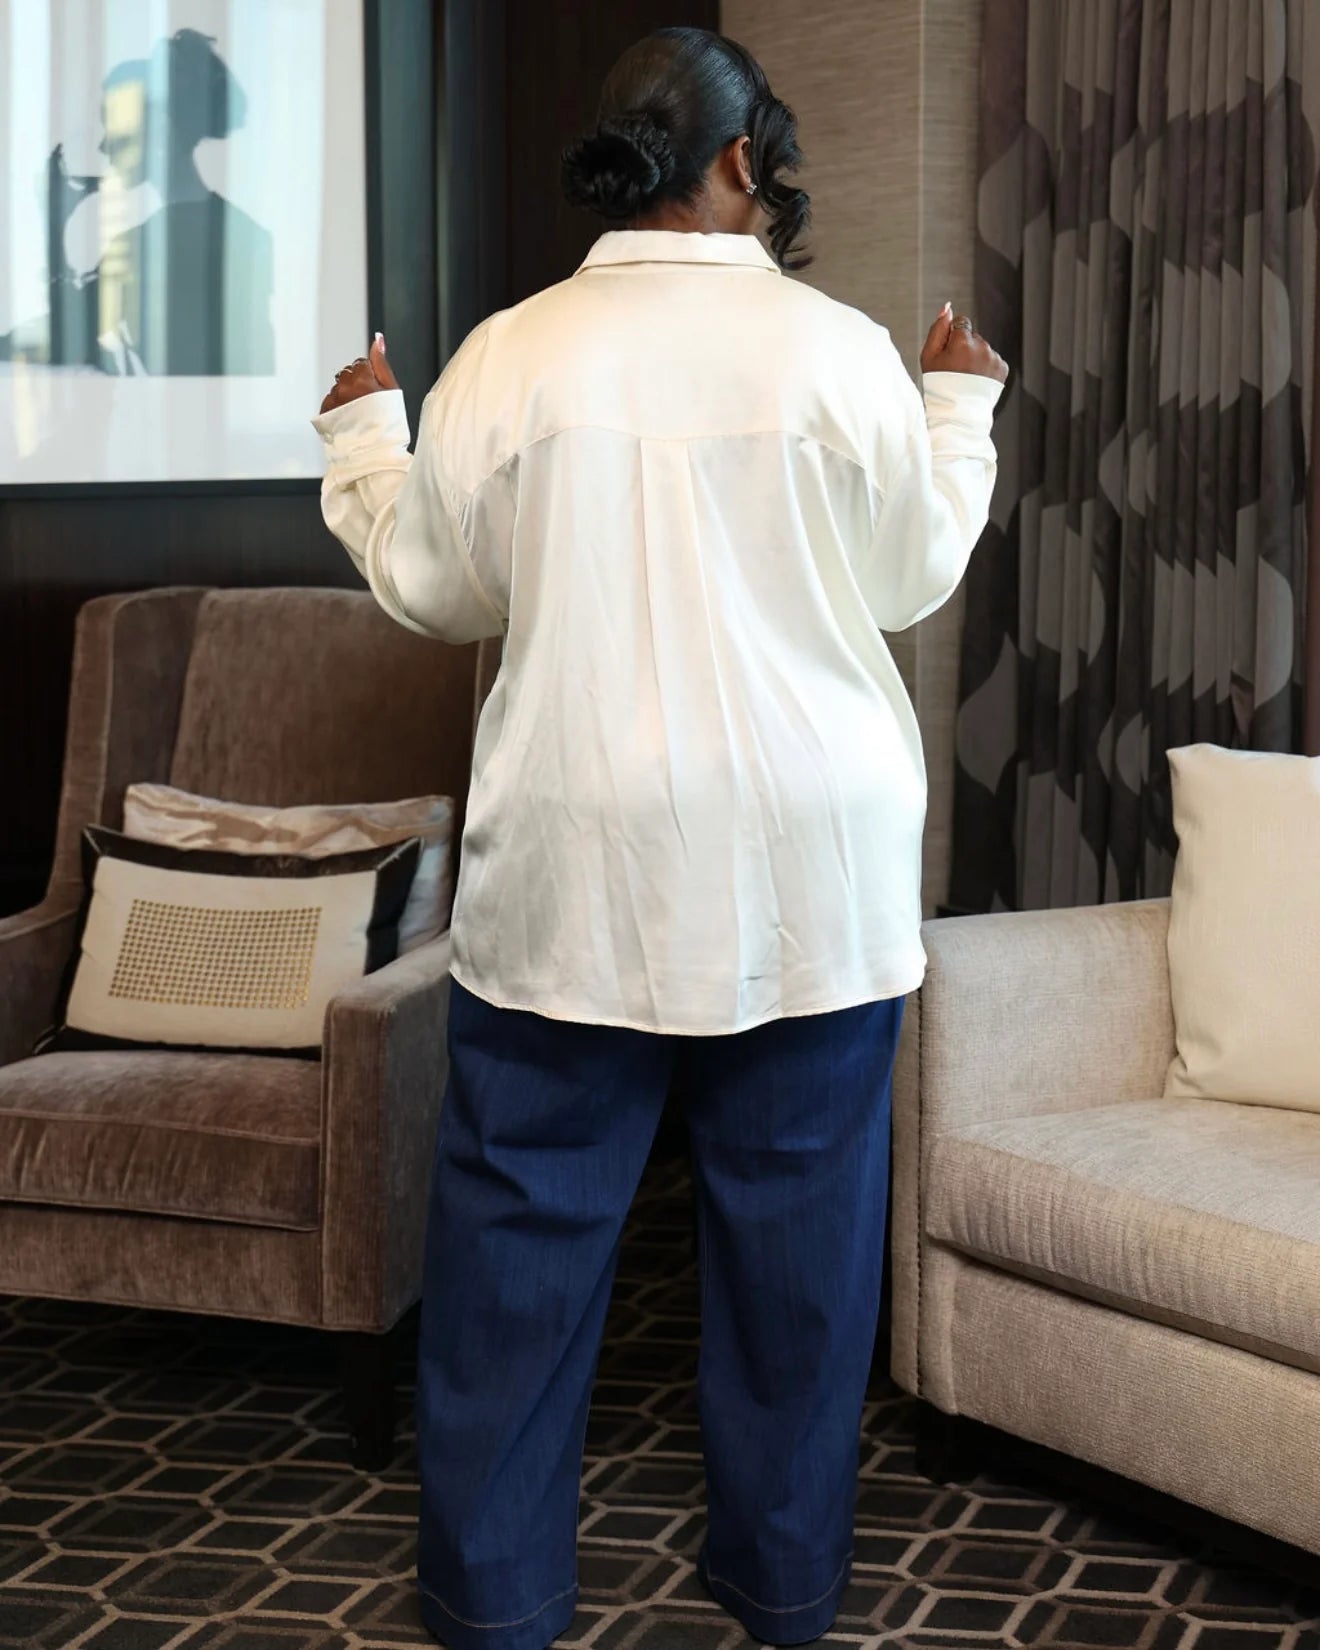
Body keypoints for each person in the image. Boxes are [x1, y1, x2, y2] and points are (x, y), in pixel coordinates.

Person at [313, 26, 1006, 1650]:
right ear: (744, 157)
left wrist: (366, 442)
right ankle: (783, 1587)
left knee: (519, 1246)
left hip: (579, 860)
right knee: (799, 1260)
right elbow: (910, 574)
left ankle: (494, 1604)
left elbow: (436, 590)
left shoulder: (510, 354)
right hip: (809, 862)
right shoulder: (838, 352)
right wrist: (958, 407)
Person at [1, 28, 273, 375]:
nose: (103, 147)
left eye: (116, 132)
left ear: (159, 133)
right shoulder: (245, 232)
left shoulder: (141, 247)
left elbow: (64, 338)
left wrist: (56, 222)